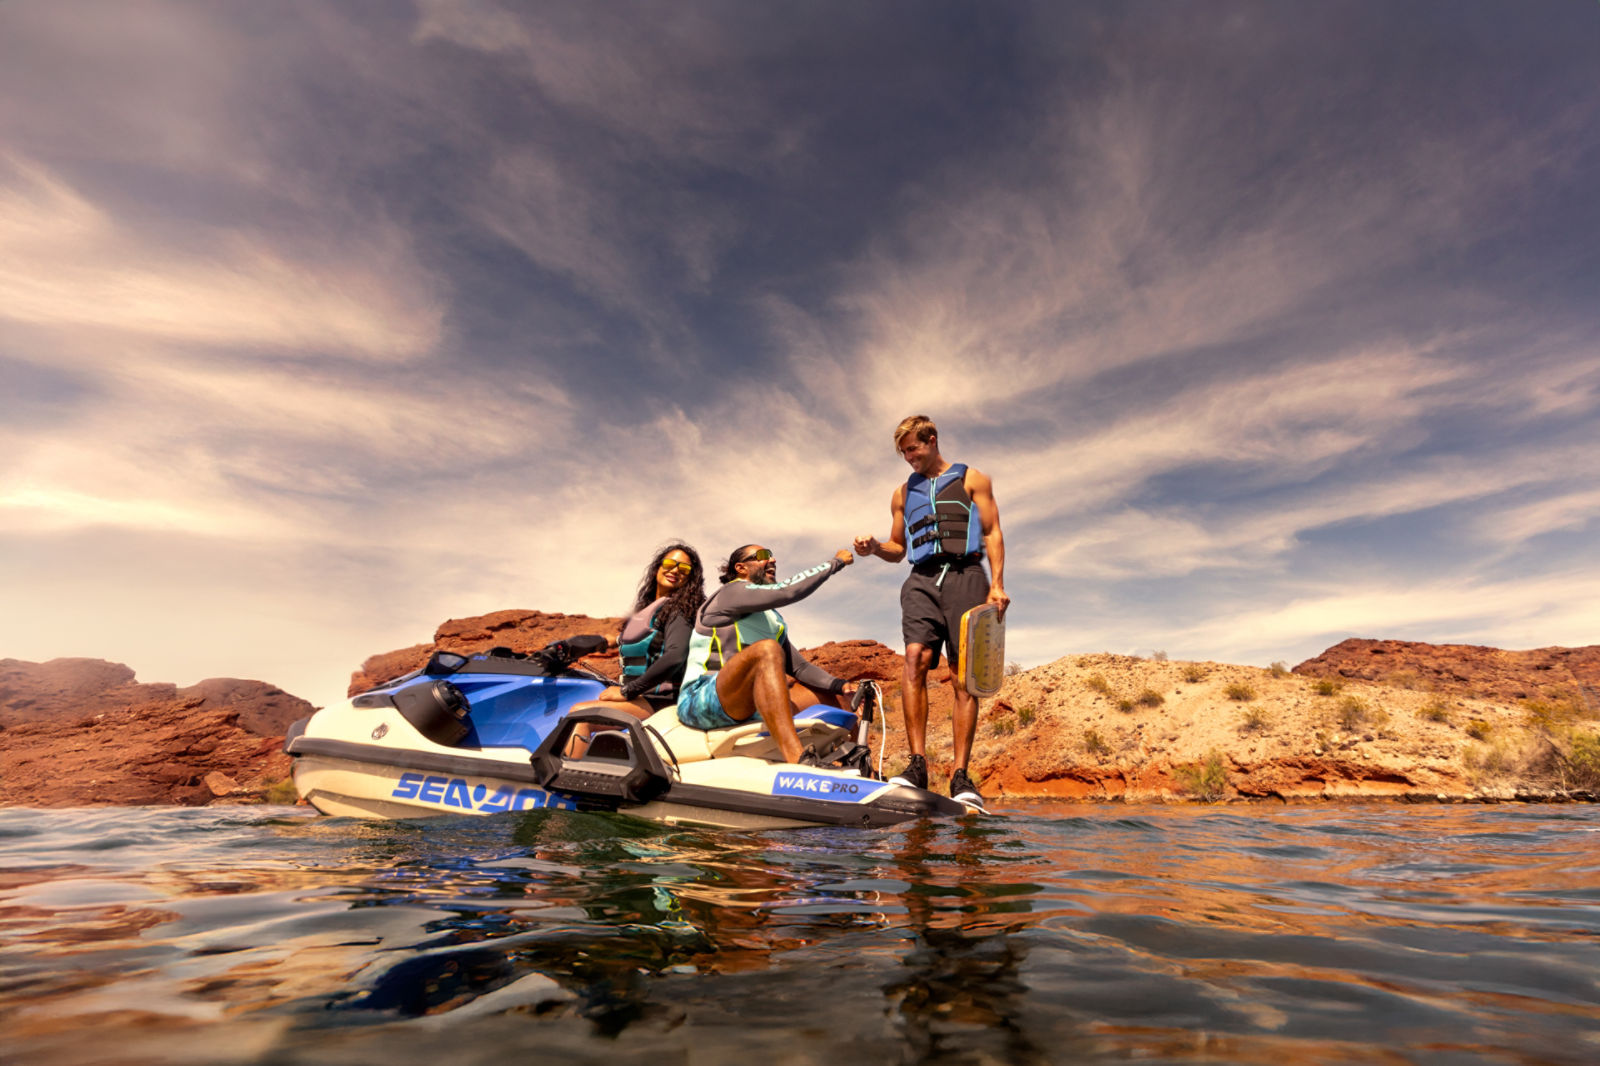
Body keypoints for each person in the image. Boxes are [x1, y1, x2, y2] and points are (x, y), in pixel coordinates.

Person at [853, 414, 1007, 806]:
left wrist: (997, 584)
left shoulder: (973, 479)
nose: (909, 458)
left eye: (913, 449)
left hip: (966, 575)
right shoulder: (903, 493)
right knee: (915, 659)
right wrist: (874, 548)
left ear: (932, 440)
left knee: (962, 676)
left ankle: (960, 776)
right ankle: (917, 764)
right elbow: (897, 548)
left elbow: (991, 532)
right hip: (921, 579)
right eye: (904, 453)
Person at [675, 543, 859, 765]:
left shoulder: (773, 618)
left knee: (842, 698)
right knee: (767, 649)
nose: (772, 560)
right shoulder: (730, 593)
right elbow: (788, 590)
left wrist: (842, 686)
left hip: (750, 704)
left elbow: (799, 668)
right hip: (701, 699)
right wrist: (835, 563)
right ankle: (797, 760)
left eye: (773, 556)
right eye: (762, 556)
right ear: (741, 568)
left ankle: (859, 770)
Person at [567, 543, 706, 753]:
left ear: (690, 578)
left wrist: (627, 691)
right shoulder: (651, 608)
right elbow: (642, 640)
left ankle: (565, 782)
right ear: (658, 567)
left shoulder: (680, 609)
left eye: (684, 569)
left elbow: (676, 655)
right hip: (640, 696)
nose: (675, 570)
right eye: (670, 563)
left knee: (581, 716)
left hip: (658, 700)